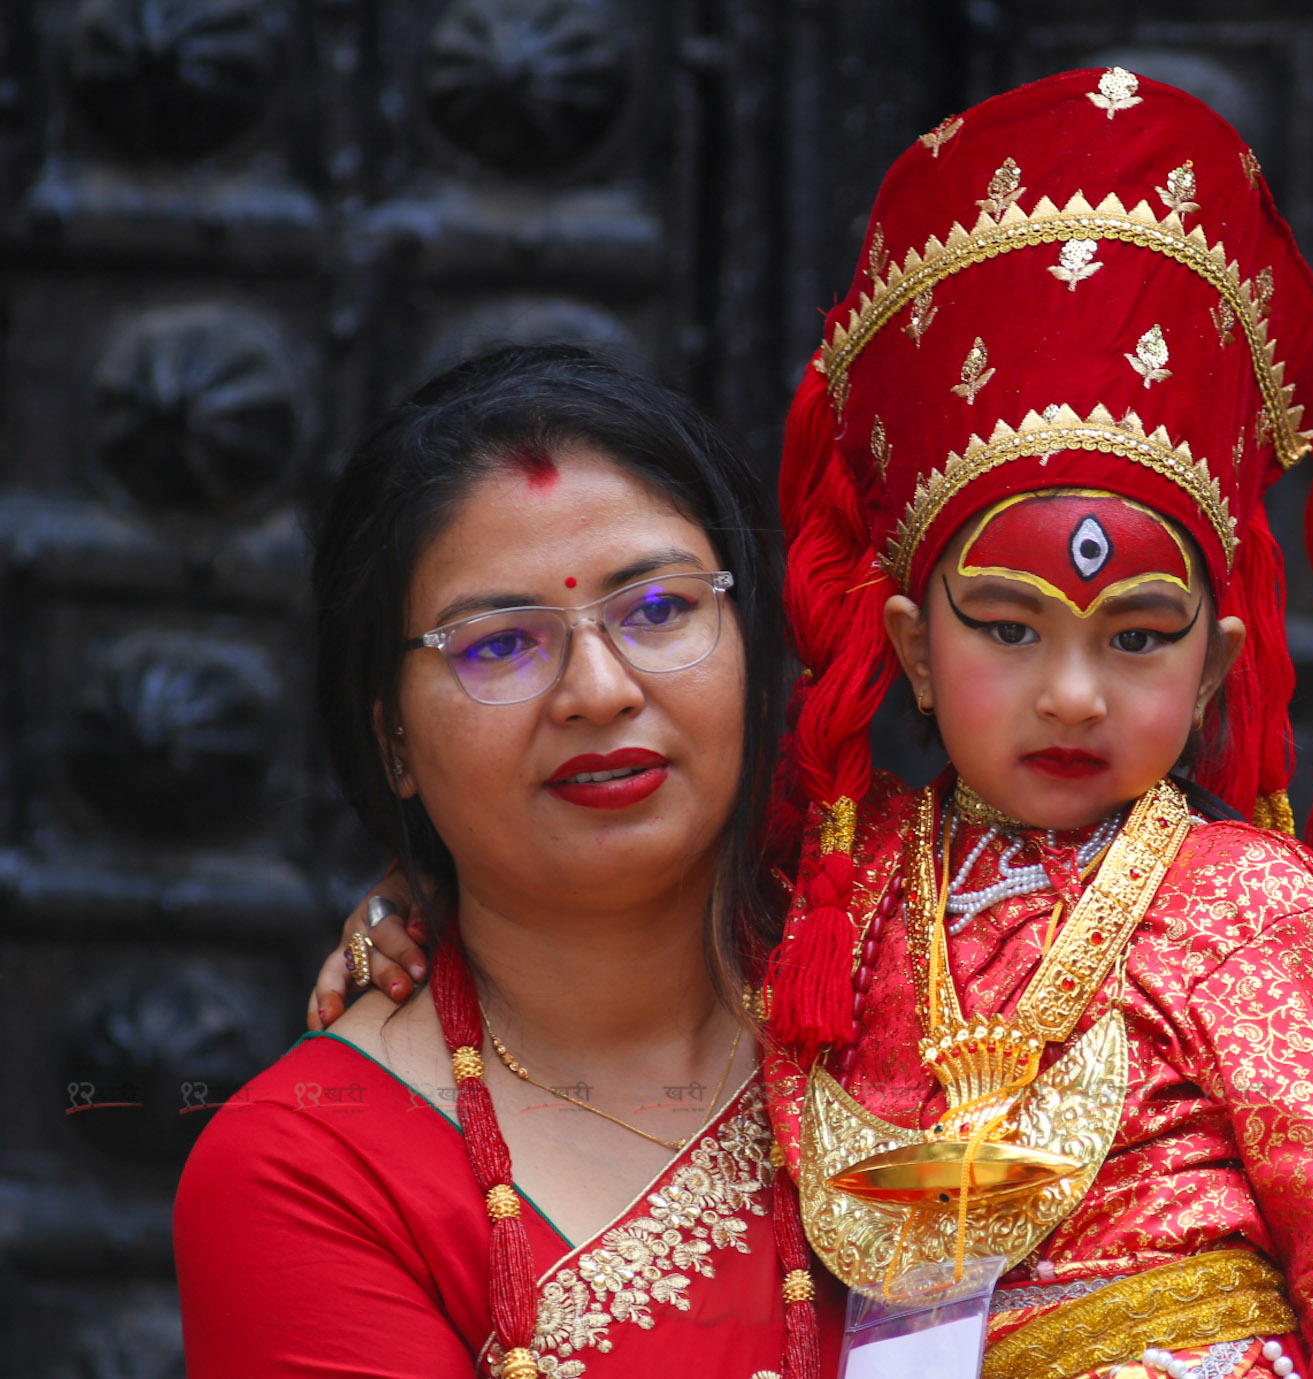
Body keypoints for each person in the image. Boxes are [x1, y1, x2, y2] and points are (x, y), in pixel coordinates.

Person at [317, 70, 1313, 1379]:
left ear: (1217, 667)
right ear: (916, 648)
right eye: (1009, 627)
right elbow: (589, 868)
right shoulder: (839, 881)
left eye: (1140, 637)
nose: (1075, 691)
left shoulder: (1253, 907)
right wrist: (417, 887)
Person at [175, 346, 833, 1379]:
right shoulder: (309, 1166)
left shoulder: (938, 984)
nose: (598, 688)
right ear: (392, 738)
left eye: (659, 609)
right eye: (498, 645)